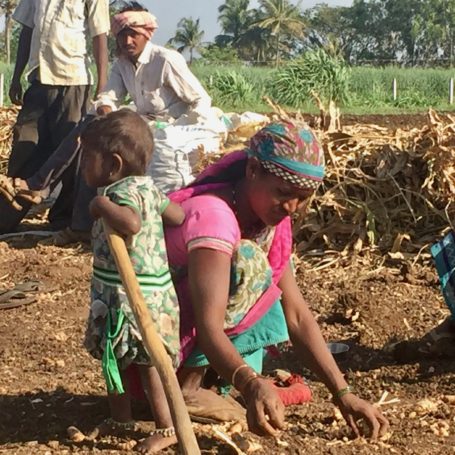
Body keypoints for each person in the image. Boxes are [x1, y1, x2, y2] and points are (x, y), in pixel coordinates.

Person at [149, 122, 386, 450]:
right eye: (283, 193)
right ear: (252, 170)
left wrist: (343, 394)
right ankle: (186, 388)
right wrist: (250, 384)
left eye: (301, 199)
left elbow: (297, 315)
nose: (291, 207)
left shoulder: (264, 223)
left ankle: (207, 384)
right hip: (155, 358)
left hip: (191, 335)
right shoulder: (215, 217)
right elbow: (208, 328)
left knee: (268, 282)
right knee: (251, 265)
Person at [0, 1, 214, 244]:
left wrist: (173, 129)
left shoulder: (165, 60)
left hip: (177, 129)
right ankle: (74, 220)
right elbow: (109, 96)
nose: (127, 42)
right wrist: (104, 106)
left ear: (146, 34)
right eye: (122, 36)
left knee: (91, 138)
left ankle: (39, 185)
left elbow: (201, 102)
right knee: (89, 134)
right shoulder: (122, 64)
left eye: (133, 35)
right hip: (146, 126)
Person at [81, 110, 185, 453]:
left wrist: (100, 204)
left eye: (86, 158)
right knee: (117, 357)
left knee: (148, 364)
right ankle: (120, 419)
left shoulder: (119, 193)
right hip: (129, 292)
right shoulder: (149, 188)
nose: (82, 166)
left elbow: (132, 223)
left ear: (113, 165)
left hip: (135, 298)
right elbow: (177, 215)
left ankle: (167, 427)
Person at [4, 0, 109, 231]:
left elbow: (99, 35)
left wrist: (102, 87)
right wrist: (16, 76)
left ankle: (63, 219)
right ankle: (6, 218)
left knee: (71, 154)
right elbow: (27, 30)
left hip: (72, 81)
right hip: (38, 79)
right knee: (24, 145)